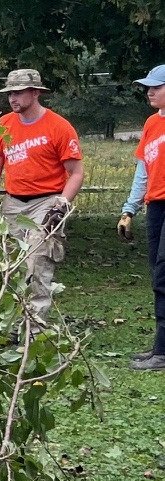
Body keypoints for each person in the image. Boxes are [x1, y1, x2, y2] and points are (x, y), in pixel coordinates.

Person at [0, 69, 84, 325]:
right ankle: (12, 325)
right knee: (10, 267)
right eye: (10, 93)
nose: (13, 98)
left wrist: (62, 204)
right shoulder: (4, 125)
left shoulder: (58, 127)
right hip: (13, 204)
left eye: (19, 92)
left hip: (46, 202)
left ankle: (33, 331)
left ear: (35, 93)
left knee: (36, 264)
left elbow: (76, 173)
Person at [120, 64, 165, 370]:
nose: (149, 91)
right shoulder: (151, 123)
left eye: (156, 86)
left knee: (164, 274)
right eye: (147, 86)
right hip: (156, 206)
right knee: (158, 278)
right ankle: (160, 348)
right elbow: (142, 170)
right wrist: (129, 209)